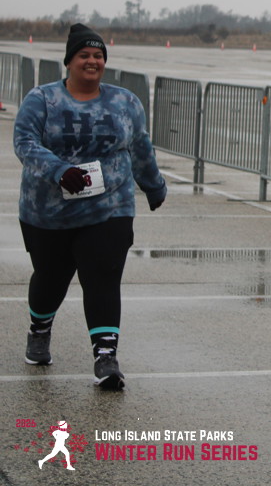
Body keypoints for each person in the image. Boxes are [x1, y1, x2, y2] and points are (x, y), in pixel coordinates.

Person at [15, 23, 166, 390]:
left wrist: (153, 185)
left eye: (98, 55)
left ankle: (106, 357)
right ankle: (39, 329)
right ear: (69, 61)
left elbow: (140, 146)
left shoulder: (125, 102)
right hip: (48, 212)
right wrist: (59, 171)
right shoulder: (42, 99)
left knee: (103, 275)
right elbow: (24, 142)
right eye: (84, 55)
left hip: (109, 207)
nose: (92, 61)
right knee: (50, 279)